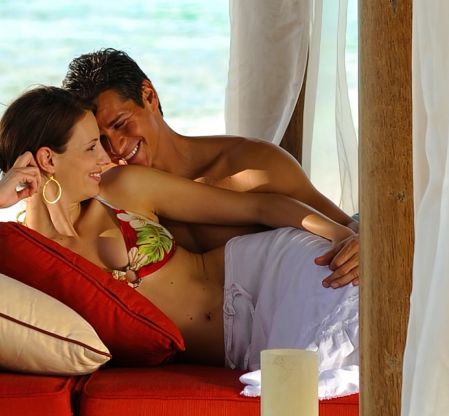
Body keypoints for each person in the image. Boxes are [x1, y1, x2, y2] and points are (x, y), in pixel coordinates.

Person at [0, 86, 359, 377]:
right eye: (92, 146)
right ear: (48, 161)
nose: (107, 157)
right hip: (242, 345)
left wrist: (343, 235)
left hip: (276, 270)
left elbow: (260, 203)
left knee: (381, 330)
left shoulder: (124, 188)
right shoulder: (20, 258)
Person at [62, 48, 360, 289]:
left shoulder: (252, 168)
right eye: (99, 139)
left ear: (149, 96)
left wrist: (358, 243)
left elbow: (348, 227)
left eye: (120, 124)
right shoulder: (110, 196)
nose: (115, 146)